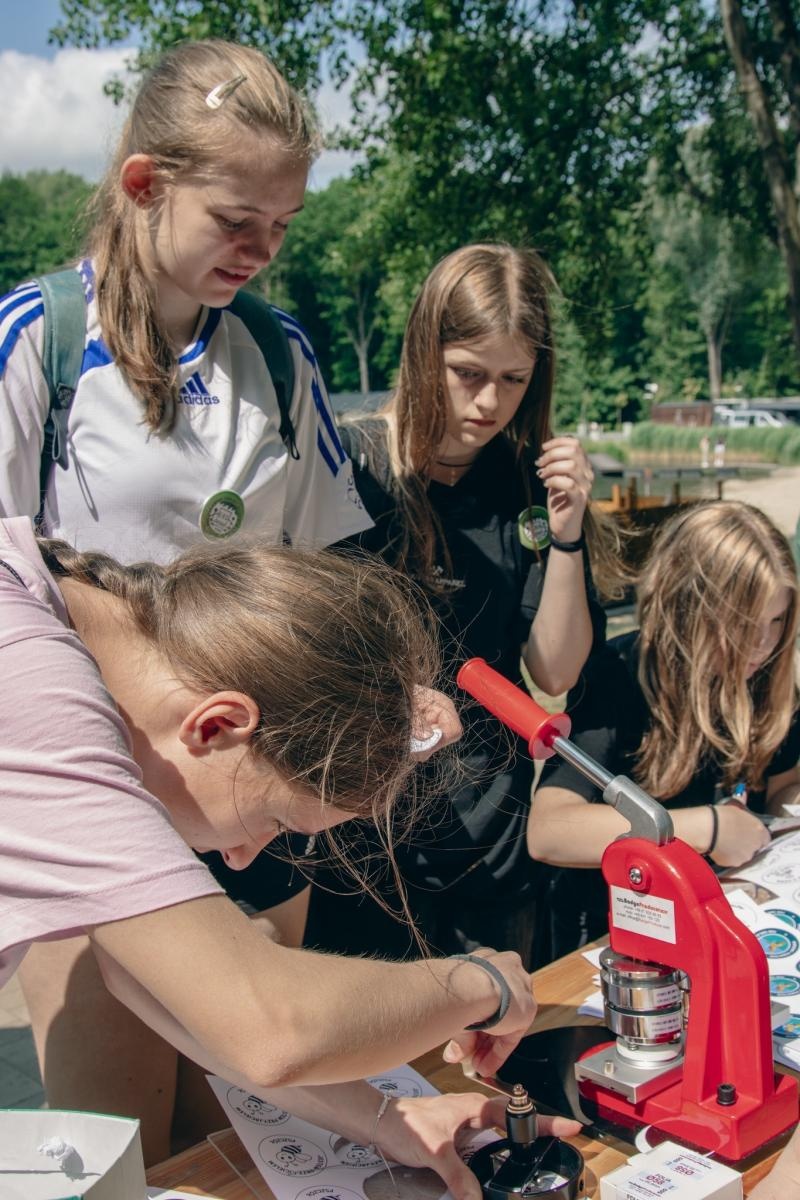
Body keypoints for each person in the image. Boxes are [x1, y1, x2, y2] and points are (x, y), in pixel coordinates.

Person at [0, 37, 387, 1161]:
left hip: (248, 790)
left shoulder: (279, 353)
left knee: (257, 1137)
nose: (261, 251)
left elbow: (326, 572)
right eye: (235, 219)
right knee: (121, 1142)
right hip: (100, 798)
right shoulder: (35, 345)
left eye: (284, 225)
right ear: (143, 184)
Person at [0, 517, 581, 1195]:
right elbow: (271, 1027)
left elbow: (151, 980)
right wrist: (484, 984)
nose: (241, 859)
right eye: (274, 820)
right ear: (218, 725)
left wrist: (384, 1118)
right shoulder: (30, 682)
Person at [288, 243, 618, 969]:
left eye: (513, 379)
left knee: (502, 1039)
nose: (489, 403)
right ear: (423, 352)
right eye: (468, 373)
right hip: (361, 840)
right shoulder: (347, 470)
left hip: (489, 838)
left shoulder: (527, 485)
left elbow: (554, 672)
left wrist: (568, 536)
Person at [529, 500, 800, 958]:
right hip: (615, 937)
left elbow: (782, 784)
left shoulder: (765, 678)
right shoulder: (618, 675)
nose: (762, 644)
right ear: (687, 607)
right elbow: (549, 830)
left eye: (777, 621)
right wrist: (708, 828)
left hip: (729, 923)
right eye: (743, 624)